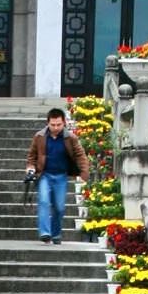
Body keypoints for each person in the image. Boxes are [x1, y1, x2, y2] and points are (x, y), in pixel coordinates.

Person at [25, 105, 91, 245]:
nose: (56, 127)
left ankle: (56, 234)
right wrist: (30, 168)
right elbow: (31, 156)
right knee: (43, 201)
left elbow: (80, 155)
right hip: (44, 175)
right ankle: (45, 233)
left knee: (59, 207)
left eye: (59, 124)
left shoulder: (70, 138)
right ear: (47, 123)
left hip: (61, 176)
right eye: (52, 124)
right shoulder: (40, 136)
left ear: (64, 123)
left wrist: (84, 172)